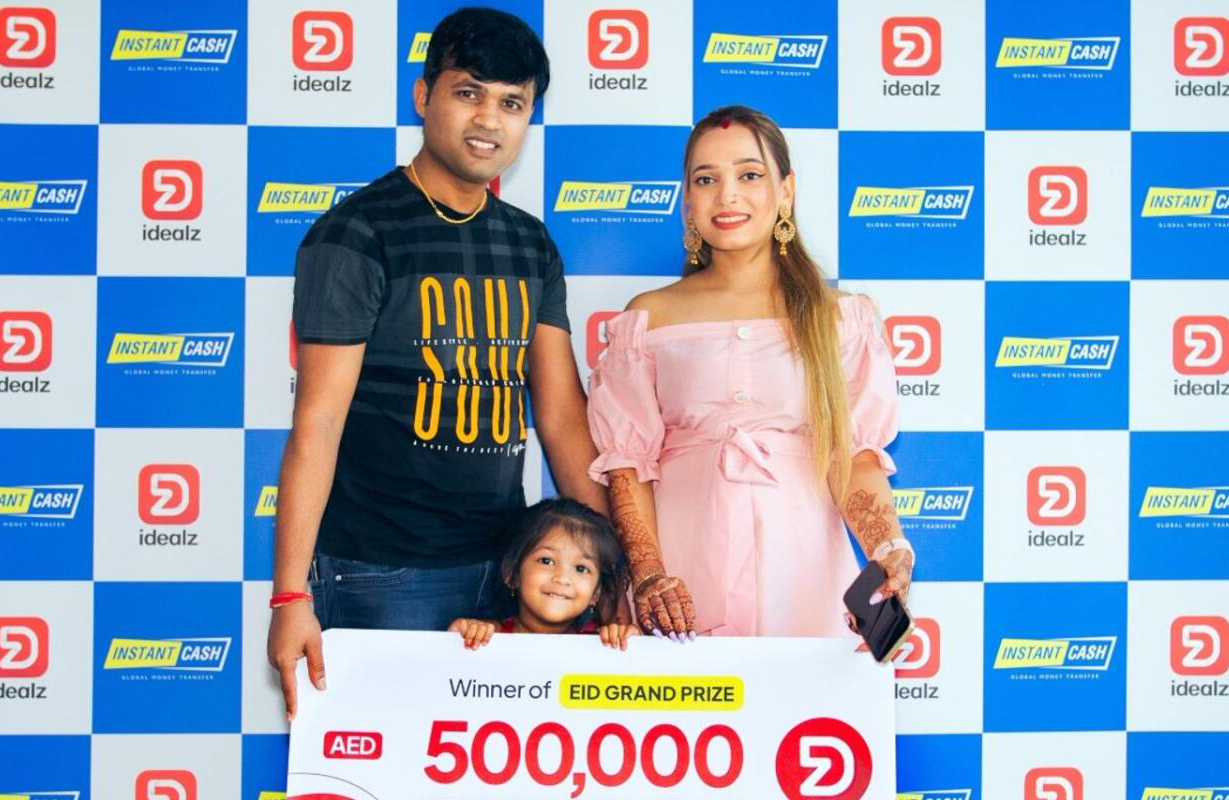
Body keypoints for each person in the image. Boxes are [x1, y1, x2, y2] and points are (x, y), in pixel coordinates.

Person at [268, 8, 607, 721]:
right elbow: (318, 424)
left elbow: (561, 419)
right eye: (468, 92)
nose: (489, 119)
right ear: (423, 96)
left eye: (512, 103)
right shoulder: (357, 234)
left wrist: (616, 570)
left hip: (509, 574)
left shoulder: (530, 244)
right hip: (382, 571)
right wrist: (291, 595)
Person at [587, 106, 914, 640]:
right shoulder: (649, 316)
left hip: (803, 572)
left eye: (749, 175)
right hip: (682, 577)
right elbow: (627, 468)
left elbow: (855, 457)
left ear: (786, 191)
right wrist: (648, 576)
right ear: (687, 201)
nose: (727, 195)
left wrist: (888, 548)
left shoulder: (838, 317)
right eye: (706, 179)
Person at [448, 498, 642, 650]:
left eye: (581, 568)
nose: (562, 578)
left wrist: (630, 646)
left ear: (596, 594)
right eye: (546, 561)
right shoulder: (486, 637)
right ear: (511, 573)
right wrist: (460, 639)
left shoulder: (603, 645)